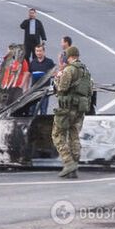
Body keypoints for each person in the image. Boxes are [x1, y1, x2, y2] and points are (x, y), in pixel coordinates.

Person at [52, 46, 92, 179]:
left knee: (57, 134)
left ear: (69, 56)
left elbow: (61, 89)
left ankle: (68, 162)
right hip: (80, 109)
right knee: (74, 136)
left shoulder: (69, 70)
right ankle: (74, 165)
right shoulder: (86, 71)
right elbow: (90, 91)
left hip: (67, 109)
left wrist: (57, 79)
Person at [29, 44, 55, 115]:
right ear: (35, 52)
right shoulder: (33, 62)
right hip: (34, 90)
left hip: (45, 90)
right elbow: (29, 74)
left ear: (44, 52)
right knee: (32, 110)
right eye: (37, 51)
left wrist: (46, 75)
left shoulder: (49, 62)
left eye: (40, 51)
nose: (38, 53)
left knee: (43, 111)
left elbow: (54, 73)